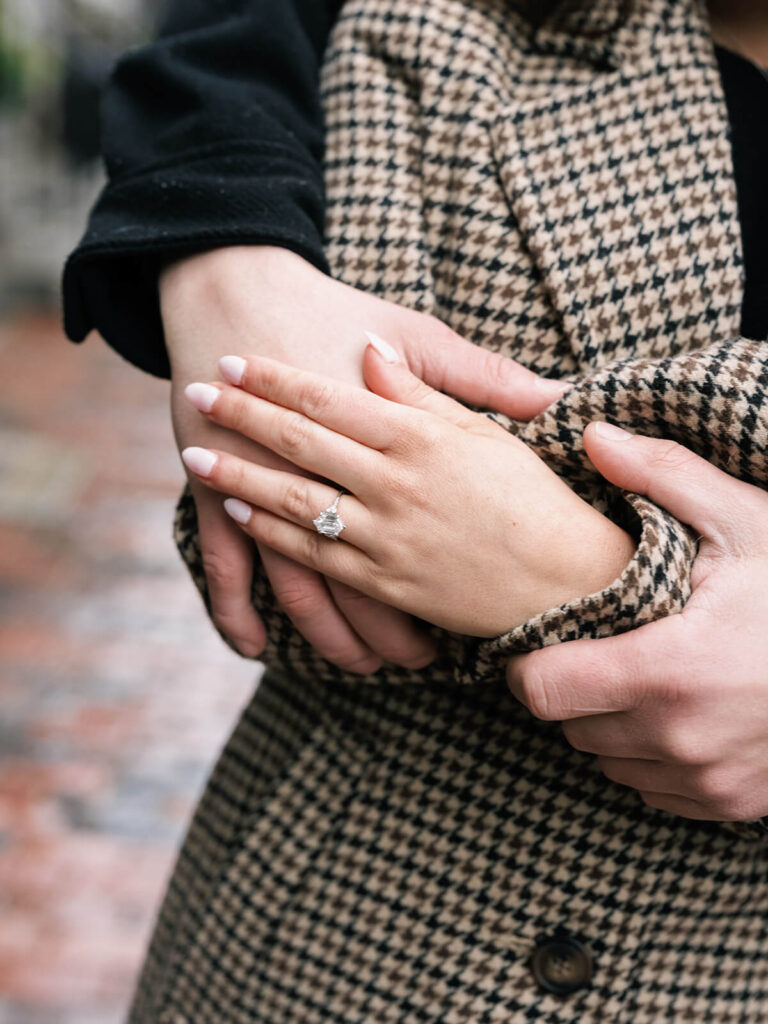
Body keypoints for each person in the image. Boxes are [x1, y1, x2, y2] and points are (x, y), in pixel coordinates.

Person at [64, 0, 768, 1020]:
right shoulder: (424, 33)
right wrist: (222, 250)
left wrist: (568, 560)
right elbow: (299, 569)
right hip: (340, 942)